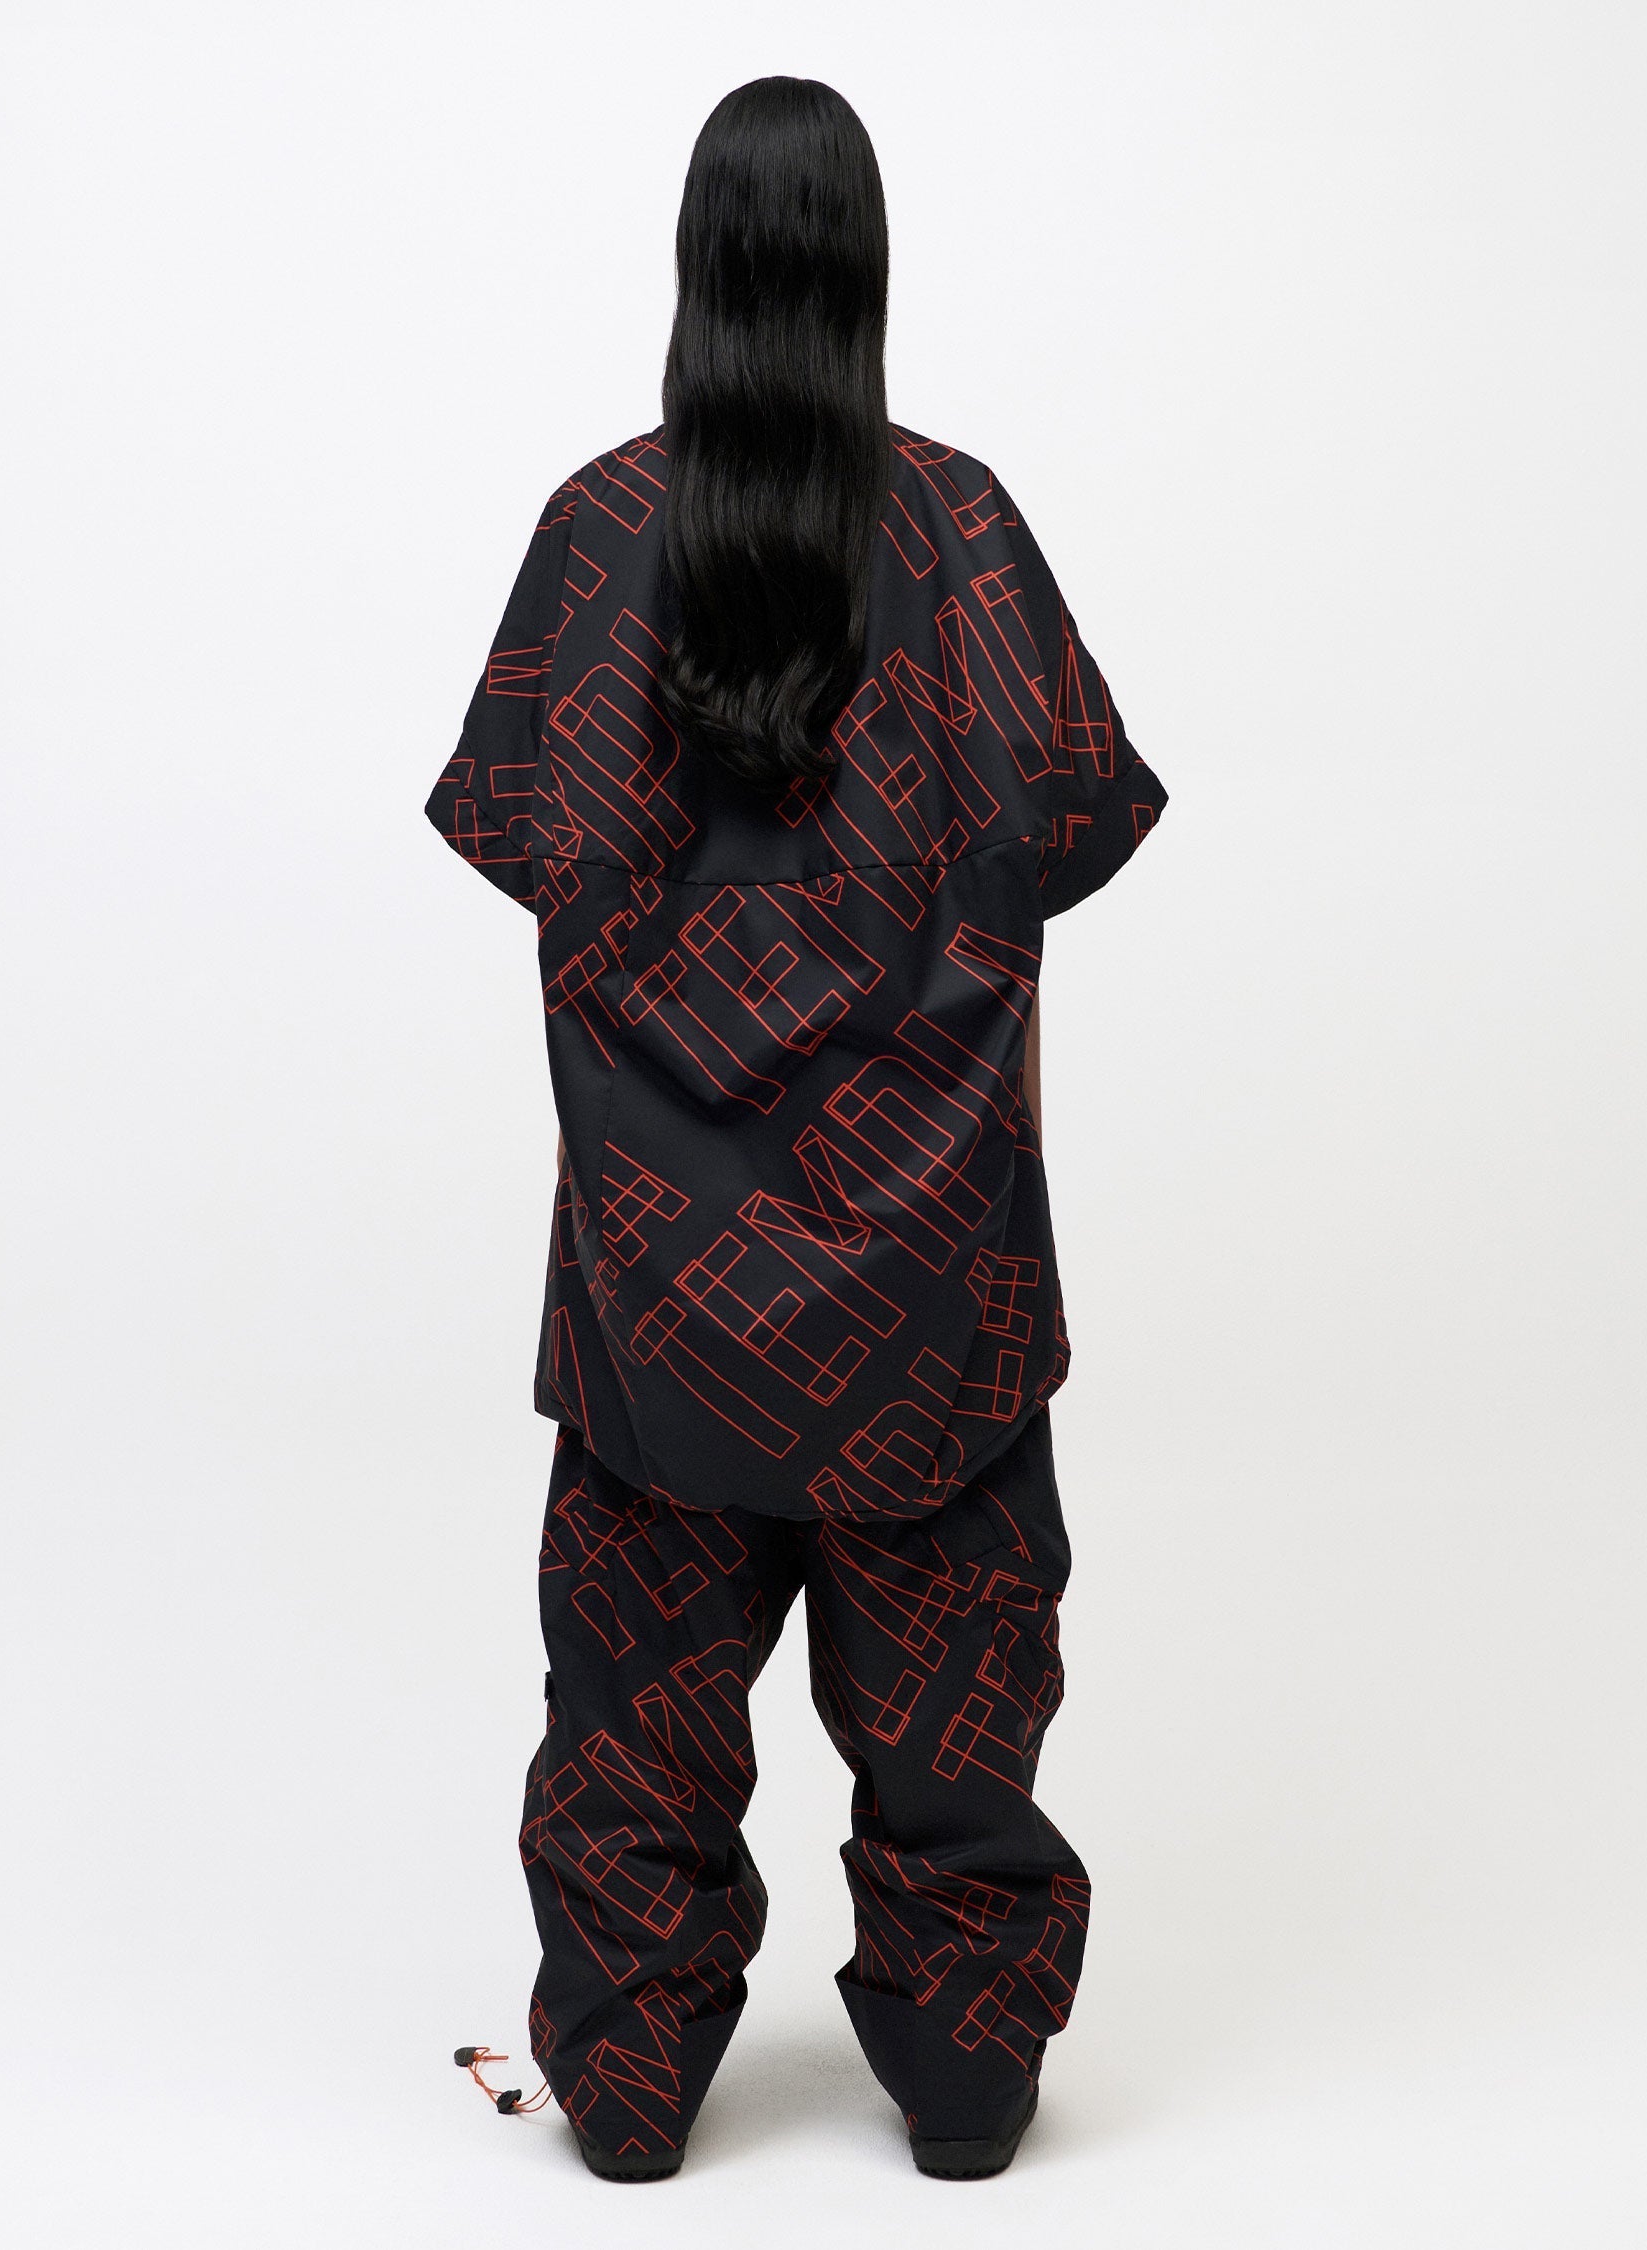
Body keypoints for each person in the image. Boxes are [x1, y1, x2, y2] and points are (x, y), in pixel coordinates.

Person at [425, 75, 1167, 2185]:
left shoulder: (595, 542)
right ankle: (967, 2084)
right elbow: (1060, 850)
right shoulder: (968, 537)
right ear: (866, 273)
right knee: (959, 1735)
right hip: (936, 1297)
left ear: (699, 267)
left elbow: (524, 857)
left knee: (632, 1734)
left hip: (661, 1302)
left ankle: (629, 2087)